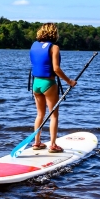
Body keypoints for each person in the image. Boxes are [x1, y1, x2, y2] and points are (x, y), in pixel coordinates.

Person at [29, 23, 77, 153]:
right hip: (48, 84)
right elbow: (56, 69)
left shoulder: (34, 45)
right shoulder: (54, 47)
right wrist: (69, 81)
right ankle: (53, 145)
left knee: (40, 114)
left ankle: (37, 142)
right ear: (53, 33)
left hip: (36, 84)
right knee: (53, 115)